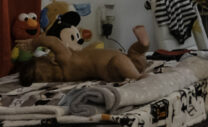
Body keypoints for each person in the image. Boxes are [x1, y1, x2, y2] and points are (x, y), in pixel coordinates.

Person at [15, 25, 152, 85]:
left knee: (130, 58)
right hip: (112, 67)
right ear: (52, 60)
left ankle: (141, 50)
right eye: (44, 57)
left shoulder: (65, 75)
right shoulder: (65, 60)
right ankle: (138, 75)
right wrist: (33, 43)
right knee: (123, 58)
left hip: (123, 66)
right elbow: (53, 41)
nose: (49, 56)